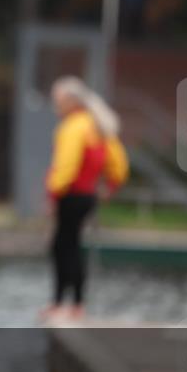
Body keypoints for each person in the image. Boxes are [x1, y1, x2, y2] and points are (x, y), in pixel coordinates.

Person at [42, 76, 129, 321]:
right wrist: (110, 187)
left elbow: (66, 167)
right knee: (74, 246)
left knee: (61, 247)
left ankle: (59, 303)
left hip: (71, 195)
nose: (55, 105)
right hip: (88, 195)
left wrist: (52, 194)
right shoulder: (98, 126)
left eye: (58, 100)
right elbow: (118, 165)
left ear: (71, 101)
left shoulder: (73, 127)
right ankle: (77, 304)